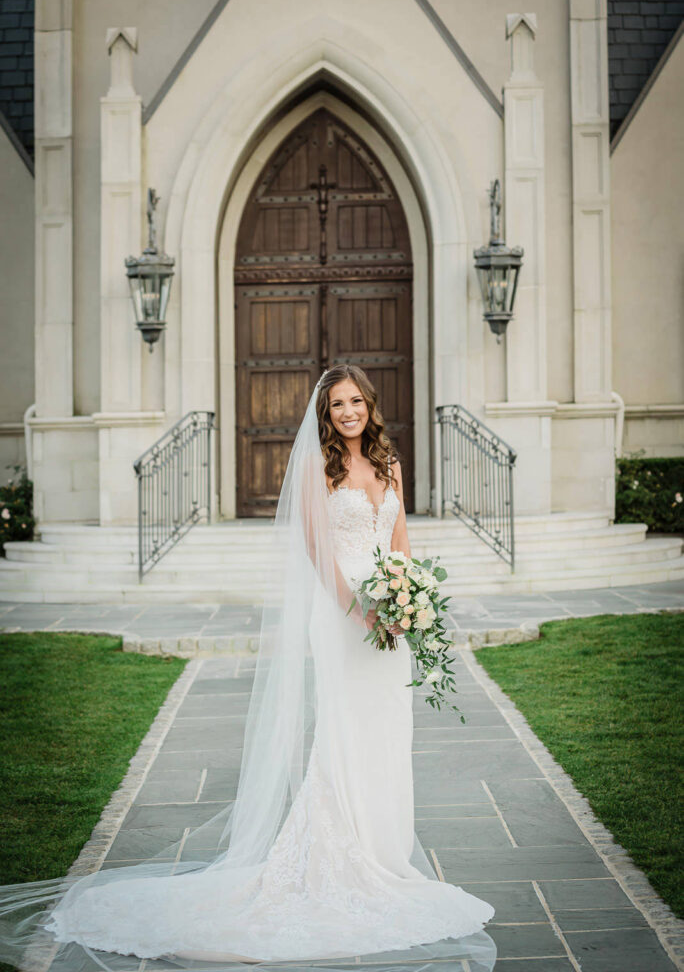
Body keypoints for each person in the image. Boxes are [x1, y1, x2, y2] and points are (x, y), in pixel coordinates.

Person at [0, 365, 496, 971]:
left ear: (370, 405)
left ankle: (384, 853)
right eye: (337, 404)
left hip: (391, 613)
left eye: (356, 401)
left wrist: (408, 599)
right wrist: (360, 610)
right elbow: (317, 550)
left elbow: (400, 541)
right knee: (344, 728)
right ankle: (338, 856)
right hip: (341, 612)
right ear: (326, 414)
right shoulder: (317, 466)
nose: (348, 412)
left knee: (389, 725)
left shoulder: (388, 462)